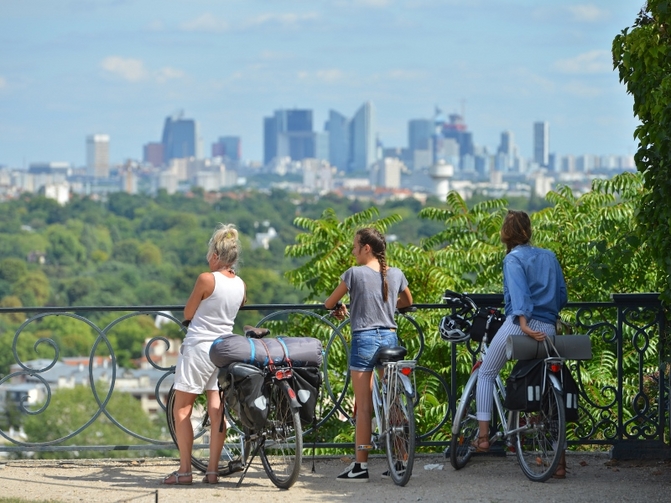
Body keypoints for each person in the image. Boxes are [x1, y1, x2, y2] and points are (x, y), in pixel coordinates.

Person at [474, 210, 568, 478]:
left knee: (488, 372)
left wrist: (525, 323)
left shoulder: (513, 259)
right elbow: (562, 295)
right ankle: (559, 463)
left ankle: (482, 437)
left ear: (506, 233)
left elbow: (519, 294)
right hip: (548, 328)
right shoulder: (549, 256)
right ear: (529, 230)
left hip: (521, 326)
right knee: (550, 391)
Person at [325, 227, 413, 483]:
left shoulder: (354, 274)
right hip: (390, 338)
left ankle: (361, 466)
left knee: (363, 408)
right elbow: (407, 301)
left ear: (366, 248)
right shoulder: (395, 274)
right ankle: (401, 458)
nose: (352, 250)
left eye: (354, 246)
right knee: (393, 400)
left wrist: (343, 308)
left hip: (364, 340)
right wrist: (386, 306)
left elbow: (330, 303)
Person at [162, 223, 246, 485]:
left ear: (215, 255)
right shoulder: (241, 284)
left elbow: (188, 314)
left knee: (182, 409)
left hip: (199, 347)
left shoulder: (206, 279)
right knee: (216, 409)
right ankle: (212, 471)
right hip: (224, 349)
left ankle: (185, 471)